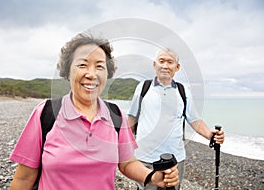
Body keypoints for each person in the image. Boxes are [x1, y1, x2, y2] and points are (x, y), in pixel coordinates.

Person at [9, 34, 179, 190]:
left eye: (99, 66)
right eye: (82, 65)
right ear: (68, 71)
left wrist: (151, 177)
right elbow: (23, 179)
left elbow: (127, 163)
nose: (92, 74)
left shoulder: (116, 115)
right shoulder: (45, 114)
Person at [127, 48, 225, 190]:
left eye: (170, 62)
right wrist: (122, 146)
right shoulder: (143, 87)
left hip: (175, 160)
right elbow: (132, 117)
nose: (165, 66)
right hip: (145, 158)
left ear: (177, 67)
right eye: (161, 61)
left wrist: (211, 135)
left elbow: (195, 120)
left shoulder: (183, 91)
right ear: (155, 64)